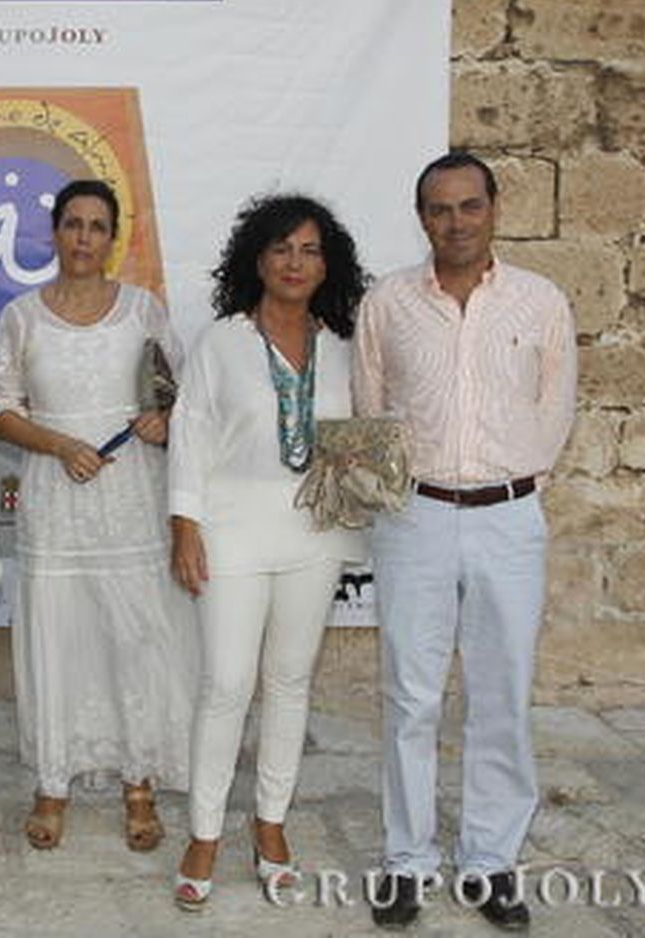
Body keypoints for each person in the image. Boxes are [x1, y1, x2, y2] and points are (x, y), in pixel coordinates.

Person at [355, 153, 576, 931]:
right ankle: (405, 861)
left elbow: (556, 409)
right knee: (411, 695)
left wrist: (512, 481)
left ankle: (489, 864)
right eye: (440, 210)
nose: (456, 222)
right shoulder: (386, 303)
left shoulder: (540, 301)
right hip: (414, 517)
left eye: (469, 206)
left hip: (510, 518)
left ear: (494, 208)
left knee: (501, 694)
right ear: (422, 218)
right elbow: (370, 409)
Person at [0, 179, 195, 854]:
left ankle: (139, 783)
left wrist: (164, 421)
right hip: (54, 497)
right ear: (54, 234)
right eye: (71, 224)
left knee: (134, 638)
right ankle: (53, 782)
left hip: (130, 497)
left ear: (113, 237)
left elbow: (179, 395)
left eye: (96, 227)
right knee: (56, 635)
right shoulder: (21, 314)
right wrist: (58, 444)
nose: (82, 238)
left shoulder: (143, 311)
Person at [168, 194, 369, 911]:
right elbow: (188, 436)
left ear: (328, 264)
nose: (294, 262)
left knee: (289, 681)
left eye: (310, 250)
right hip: (230, 533)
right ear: (256, 258)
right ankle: (202, 834)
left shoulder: (345, 346)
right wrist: (184, 526)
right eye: (281, 248)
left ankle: (272, 826)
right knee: (226, 684)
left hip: (314, 537)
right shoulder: (221, 342)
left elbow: (369, 435)